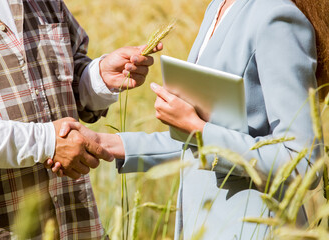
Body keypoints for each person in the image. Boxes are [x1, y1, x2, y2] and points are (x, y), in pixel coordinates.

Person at [55, 0, 329, 239]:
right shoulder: (217, 8)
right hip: (204, 227)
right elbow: (205, 143)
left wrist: (197, 128)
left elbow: (303, 161)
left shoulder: (276, 19)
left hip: (254, 228)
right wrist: (106, 142)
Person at [0, 0, 161, 239]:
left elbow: (68, 80)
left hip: (77, 221)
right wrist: (47, 143)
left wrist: (101, 78)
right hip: (0, 229)